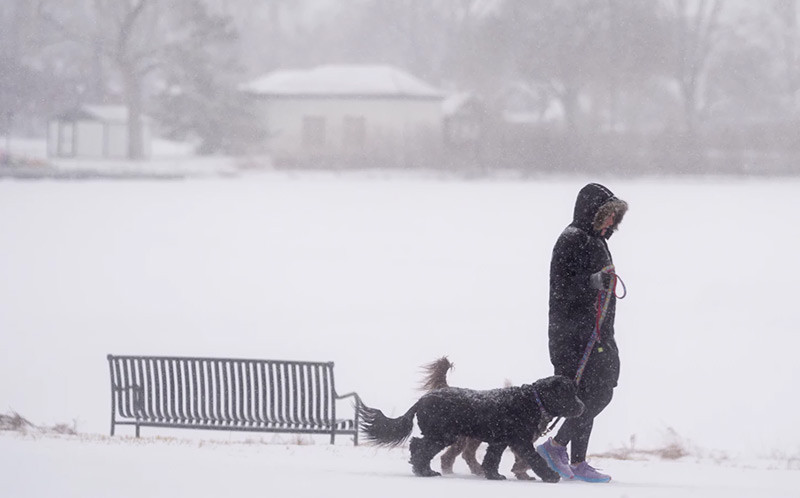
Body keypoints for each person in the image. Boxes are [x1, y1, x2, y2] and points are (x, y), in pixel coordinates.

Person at [536, 183, 628, 483]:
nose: (612, 223)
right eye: (608, 216)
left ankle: (574, 460)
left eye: (615, 217)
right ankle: (552, 448)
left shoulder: (596, 240)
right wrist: (593, 282)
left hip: (598, 332)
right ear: (593, 213)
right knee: (587, 394)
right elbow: (561, 287)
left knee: (600, 390)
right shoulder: (572, 239)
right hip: (572, 335)